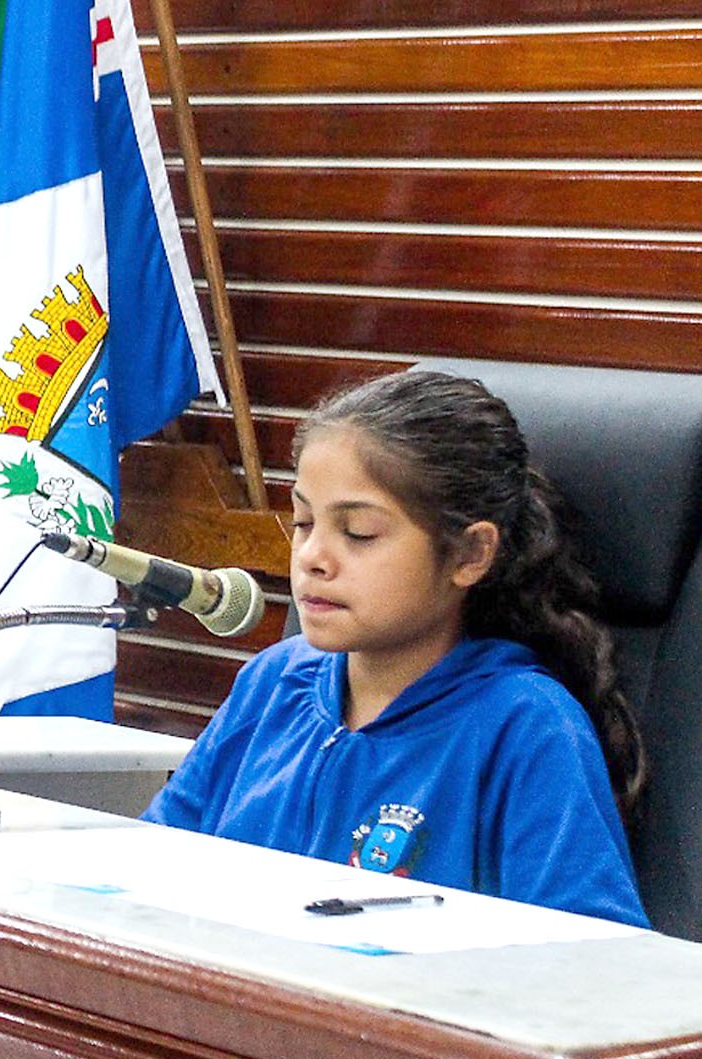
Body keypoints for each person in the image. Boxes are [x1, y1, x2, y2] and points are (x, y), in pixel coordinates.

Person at [143, 369, 649, 926]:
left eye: (358, 533)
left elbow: (595, 965)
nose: (313, 556)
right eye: (305, 521)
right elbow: (154, 872)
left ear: (469, 555)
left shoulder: (526, 726)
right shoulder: (271, 683)